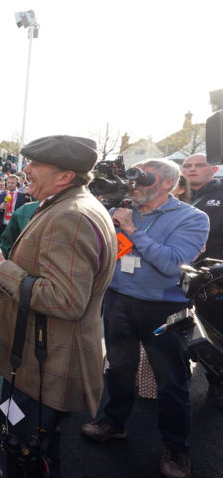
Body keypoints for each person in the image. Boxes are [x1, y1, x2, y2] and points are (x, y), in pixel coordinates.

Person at [0, 135, 117, 478]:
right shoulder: (67, 203)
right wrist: (4, 281)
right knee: (35, 441)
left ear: (65, 176)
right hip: (40, 358)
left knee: (22, 442)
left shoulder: (71, 215)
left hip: (44, 362)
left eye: (36, 164)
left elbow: (65, 300)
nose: (26, 170)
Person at [80, 158, 208, 478]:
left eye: (143, 179)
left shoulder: (192, 218)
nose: (134, 185)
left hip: (164, 308)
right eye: (132, 179)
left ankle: (176, 448)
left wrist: (132, 230)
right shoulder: (120, 210)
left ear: (167, 183)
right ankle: (113, 422)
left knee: (171, 381)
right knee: (119, 369)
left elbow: (172, 264)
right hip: (118, 301)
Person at [180, 153, 223, 409]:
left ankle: (217, 384)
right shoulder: (172, 194)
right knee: (178, 330)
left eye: (199, 165)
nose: (192, 169)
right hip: (176, 275)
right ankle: (179, 375)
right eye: (187, 165)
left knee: (214, 333)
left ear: (214, 169)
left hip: (212, 279)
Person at [0, 174, 27, 241]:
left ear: (17, 184)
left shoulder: (22, 196)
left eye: (12, 183)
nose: (10, 185)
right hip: (1, 227)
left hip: (15, 228)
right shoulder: (1, 195)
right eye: (8, 183)